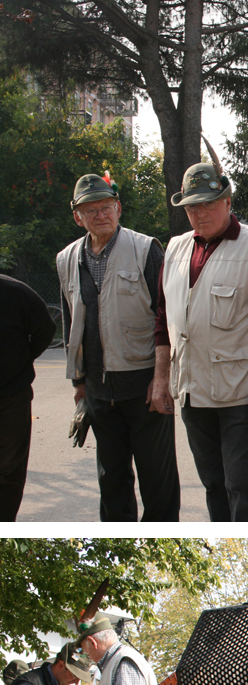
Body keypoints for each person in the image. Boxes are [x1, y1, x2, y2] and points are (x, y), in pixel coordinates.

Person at [153, 149, 248, 521]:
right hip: (192, 394)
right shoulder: (176, 248)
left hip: (239, 396)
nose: (200, 214)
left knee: (243, 487)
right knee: (214, 484)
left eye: (209, 205)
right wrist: (161, 378)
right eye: (191, 208)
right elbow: (163, 319)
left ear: (227, 201)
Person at [56, 172, 179, 522]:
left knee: (158, 482)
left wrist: (162, 380)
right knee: (112, 483)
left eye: (106, 206)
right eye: (90, 210)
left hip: (145, 388)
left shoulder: (146, 249)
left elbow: (167, 317)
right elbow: (70, 321)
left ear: (119, 208)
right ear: (77, 216)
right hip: (97, 391)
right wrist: (78, 382)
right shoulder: (66, 259)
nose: (100, 215)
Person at [0, 268, 58, 521]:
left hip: (11, 395)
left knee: (8, 468)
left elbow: (45, 330)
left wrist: (21, 361)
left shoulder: (16, 293)